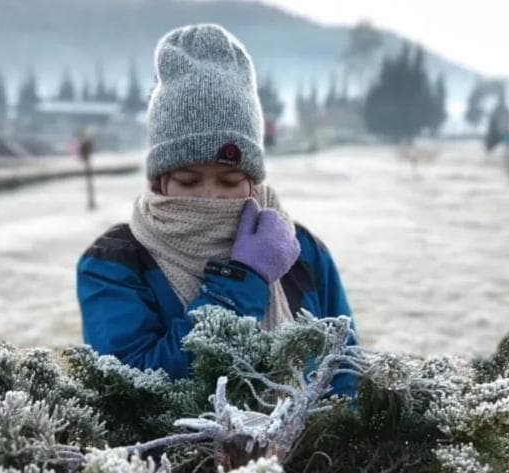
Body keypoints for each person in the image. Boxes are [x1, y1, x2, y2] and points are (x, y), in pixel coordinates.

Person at [76, 24, 357, 396]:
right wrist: (243, 281)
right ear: (160, 180)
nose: (210, 198)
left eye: (229, 182)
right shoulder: (114, 262)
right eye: (189, 180)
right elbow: (132, 390)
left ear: (253, 183)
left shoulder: (300, 250)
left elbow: (345, 372)